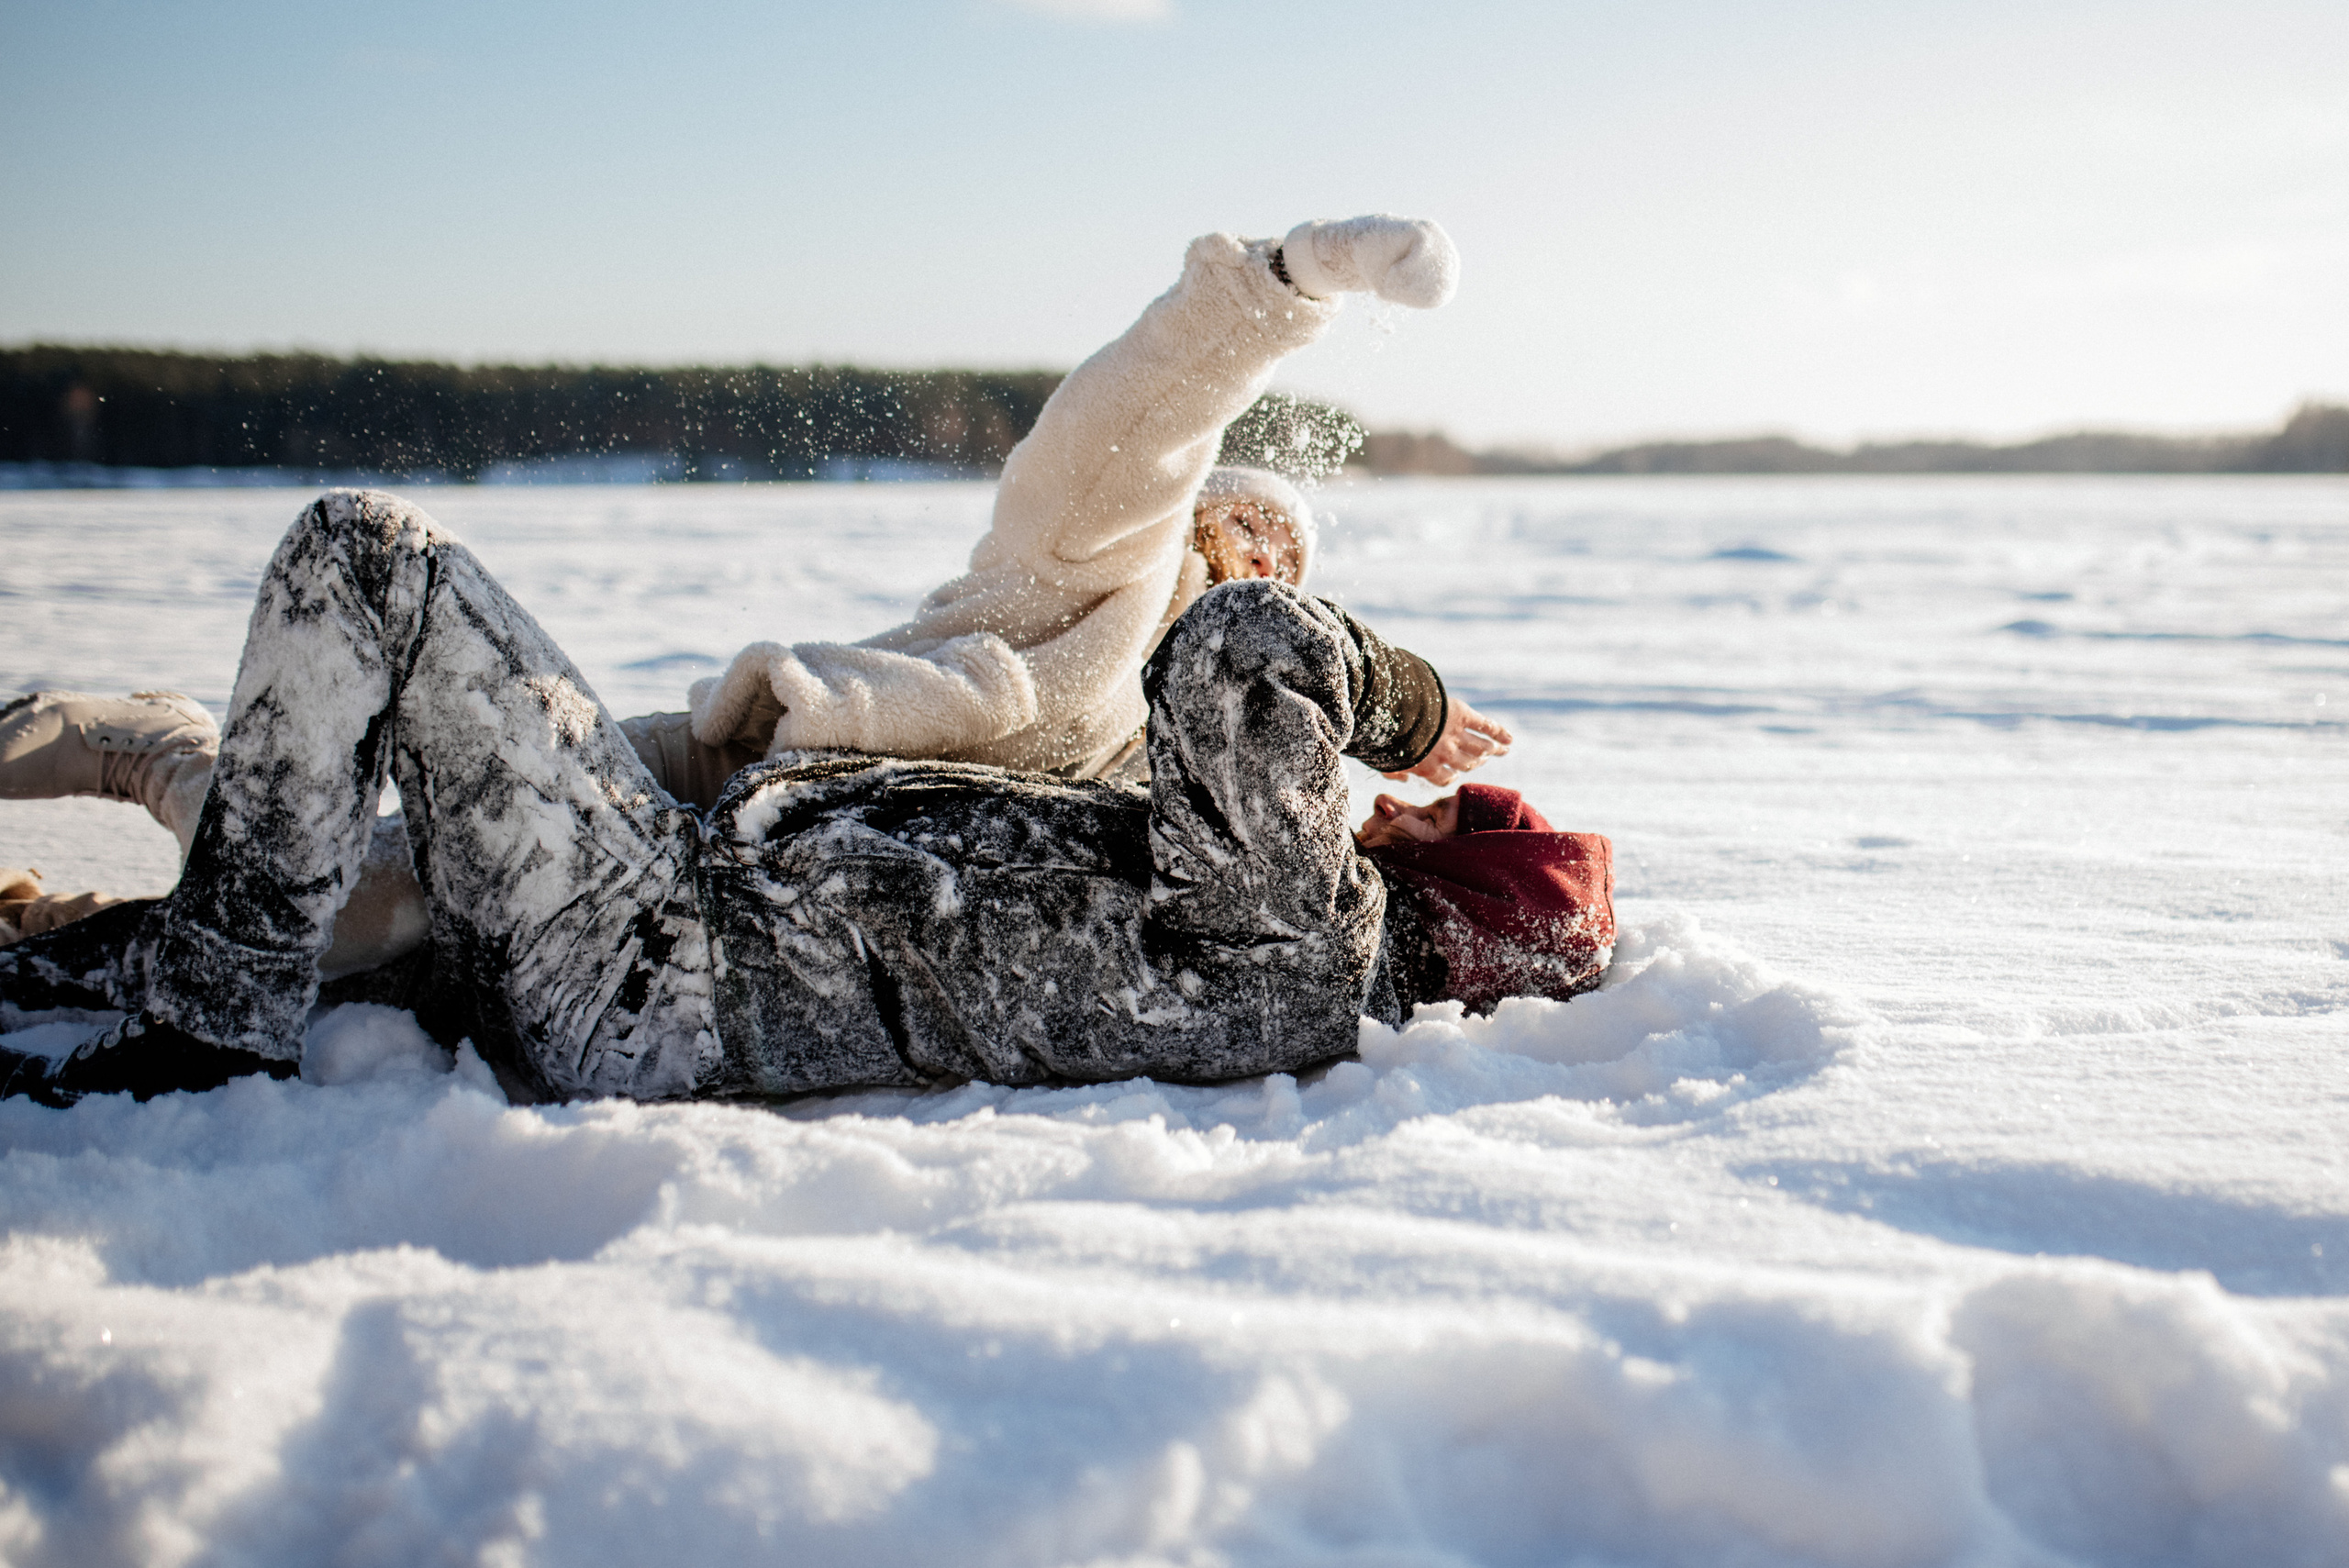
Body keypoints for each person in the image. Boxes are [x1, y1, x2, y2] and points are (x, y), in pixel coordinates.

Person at [0, 216, 1514, 969]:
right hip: (685, 806)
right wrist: (1289, 281)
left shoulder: (1184, 737)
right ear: (1210, 527)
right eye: (1254, 544)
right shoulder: (1095, 568)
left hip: (750, 900)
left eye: (1292, 573)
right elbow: (1141, 410)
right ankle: (150, 749)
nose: (1267, 580)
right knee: (329, 911)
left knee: (359, 950)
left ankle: (62, 915)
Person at [1, 485, 1613, 1107]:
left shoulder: (1312, 946)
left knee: (371, 560)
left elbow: (1246, 658)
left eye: (1417, 818)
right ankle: (113, 961)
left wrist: (1400, 703)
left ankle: (206, 1023)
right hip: (669, 930)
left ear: (1448, 889)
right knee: (274, 916)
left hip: (665, 964)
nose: (1372, 805)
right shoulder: (1259, 928)